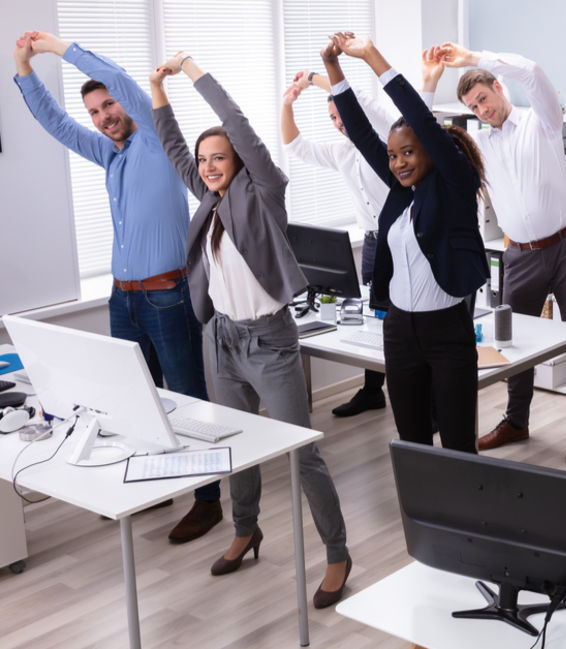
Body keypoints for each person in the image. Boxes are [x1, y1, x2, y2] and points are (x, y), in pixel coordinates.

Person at [149, 51, 351, 608]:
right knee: (233, 443)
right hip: (222, 340)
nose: (210, 166)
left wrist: (190, 71)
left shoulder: (263, 190)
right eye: (204, 160)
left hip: (269, 342)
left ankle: (337, 553)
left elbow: (235, 121)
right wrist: (156, 90)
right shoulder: (207, 199)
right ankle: (245, 529)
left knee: (301, 452)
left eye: (220, 157)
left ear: (238, 159)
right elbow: (170, 146)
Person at [12, 30, 222, 544]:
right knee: (137, 401)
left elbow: (127, 84)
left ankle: (209, 500)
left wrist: (58, 48)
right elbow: (54, 123)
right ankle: (156, 486)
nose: (106, 116)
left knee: (188, 397)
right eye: (97, 112)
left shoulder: (155, 138)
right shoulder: (111, 154)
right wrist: (23, 66)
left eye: (109, 105)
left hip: (167, 294)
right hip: (123, 298)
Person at [425, 42, 566, 465]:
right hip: (519, 255)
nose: (481, 109)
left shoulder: (542, 121)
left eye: (483, 98)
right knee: (514, 341)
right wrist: (430, 82)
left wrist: (472, 59)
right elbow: (426, 136)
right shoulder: (479, 145)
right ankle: (516, 419)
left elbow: (534, 72)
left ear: (498, 87)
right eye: (472, 105)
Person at [321, 33, 488, 453]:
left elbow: (421, 119)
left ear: (431, 152)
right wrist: (333, 69)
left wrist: (372, 57)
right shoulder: (400, 192)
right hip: (399, 332)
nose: (398, 163)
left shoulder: (454, 185)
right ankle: (422, 520)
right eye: (393, 155)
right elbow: (359, 130)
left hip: (446, 331)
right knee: (411, 442)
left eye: (408, 152)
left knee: (457, 445)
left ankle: (464, 518)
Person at [279, 56, 415, 418]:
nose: (340, 124)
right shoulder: (341, 153)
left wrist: (311, 77)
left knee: (410, 315)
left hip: (404, 239)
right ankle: (373, 391)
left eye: (343, 115)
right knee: (377, 315)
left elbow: (357, 99)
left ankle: (423, 395)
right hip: (372, 243)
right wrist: (287, 104)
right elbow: (295, 146)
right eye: (333, 119)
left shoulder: (389, 142)